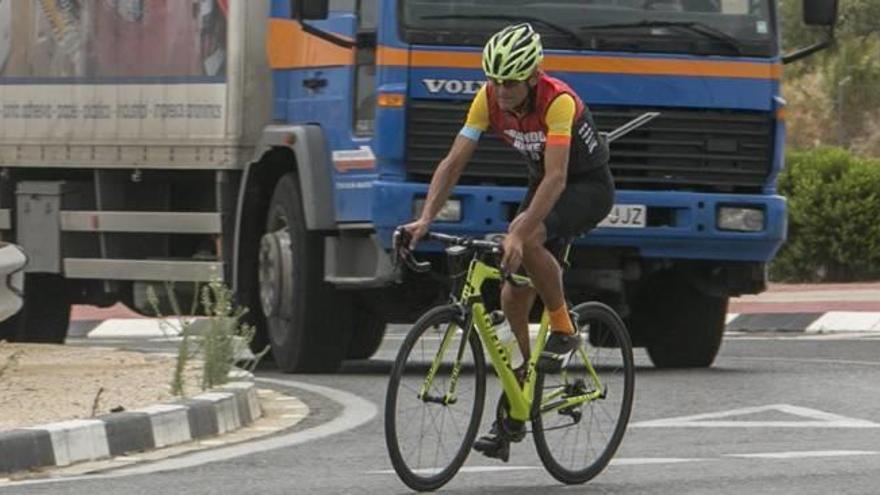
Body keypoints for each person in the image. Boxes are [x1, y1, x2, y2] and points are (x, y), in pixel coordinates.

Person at [398, 23, 614, 462]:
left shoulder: (559, 102)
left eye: (511, 82)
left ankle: (563, 329)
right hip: (542, 184)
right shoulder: (488, 99)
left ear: (533, 75)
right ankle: (521, 390)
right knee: (513, 293)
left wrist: (520, 230)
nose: (502, 90)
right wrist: (425, 217)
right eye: (495, 80)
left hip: (585, 186)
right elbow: (454, 161)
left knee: (528, 234)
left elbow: (557, 177)